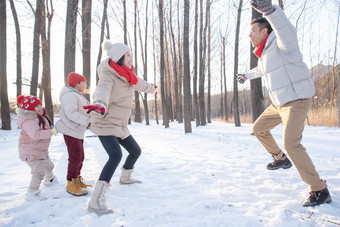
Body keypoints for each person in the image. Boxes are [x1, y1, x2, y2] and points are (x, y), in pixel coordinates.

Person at [237, 0, 331, 207]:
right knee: (258, 128)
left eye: (253, 30)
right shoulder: (264, 55)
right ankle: (280, 158)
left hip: (296, 101)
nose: (250, 35)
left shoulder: (282, 43)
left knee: (292, 143)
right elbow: (262, 71)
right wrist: (246, 75)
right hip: (279, 104)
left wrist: (271, 12)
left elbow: (285, 28)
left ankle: (319, 189)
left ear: (265, 31)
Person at [85, 40, 157, 215]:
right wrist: (100, 103)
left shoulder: (128, 76)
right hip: (105, 122)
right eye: (128, 55)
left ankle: (125, 177)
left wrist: (152, 89)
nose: (131, 58)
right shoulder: (108, 76)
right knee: (115, 155)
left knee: (135, 151)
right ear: (118, 58)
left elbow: (141, 83)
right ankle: (95, 201)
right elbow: (102, 90)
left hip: (120, 125)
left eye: (130, 54)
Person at [55, 72, 92, 196]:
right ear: (76, 84)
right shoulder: (69, 95)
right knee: (75, 157)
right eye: (83, 83)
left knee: (80, 156)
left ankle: (77, 178)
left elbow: (83, 110)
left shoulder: (77, 95)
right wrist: (88, 122)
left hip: (77, 130)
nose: (85, 85)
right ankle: (71, 183)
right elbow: (71, 113)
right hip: (71, 129)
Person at [16, 95, 58, 200]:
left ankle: (50, 180)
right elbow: (35, 135)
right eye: (36, 106)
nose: (40, 107)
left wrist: (52, 128)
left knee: (49, 166)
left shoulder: (40, 116)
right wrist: (50, 132)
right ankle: (32, 192)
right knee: (38, 172)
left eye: (40, 104)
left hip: (40, 149)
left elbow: (45, 127)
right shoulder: (29, 121)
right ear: (29, 109)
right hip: (30, 151)